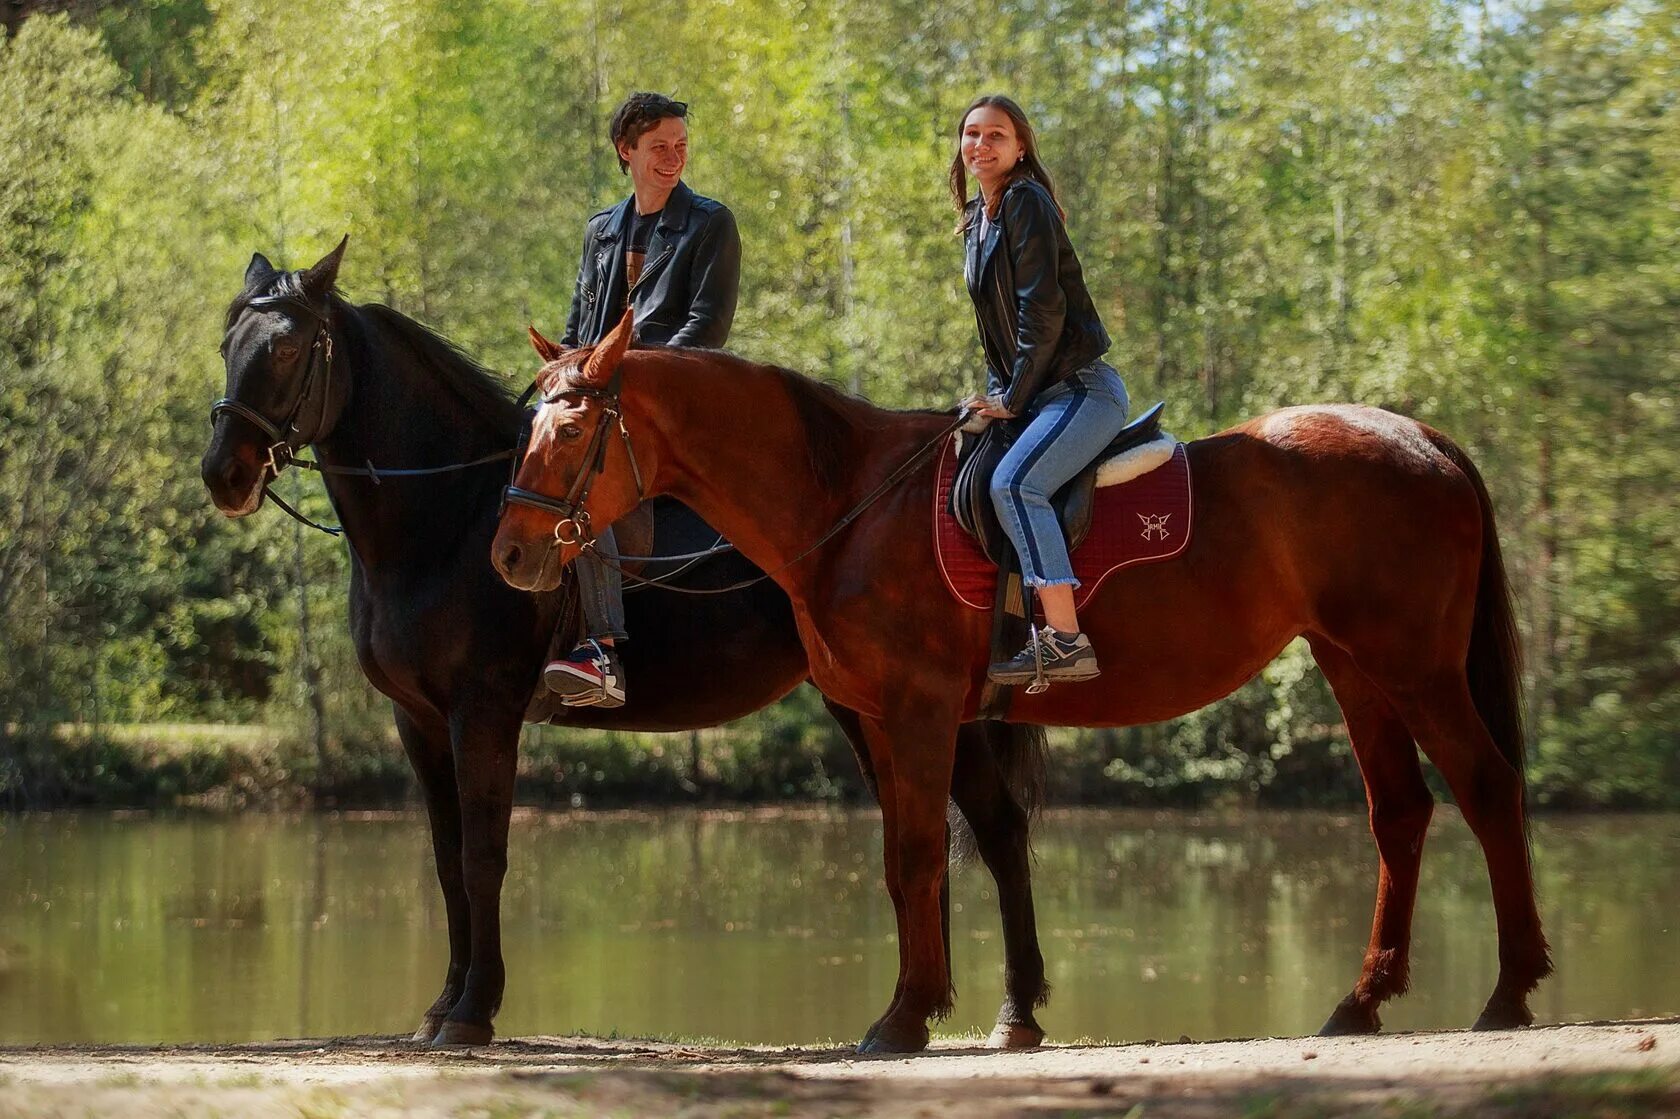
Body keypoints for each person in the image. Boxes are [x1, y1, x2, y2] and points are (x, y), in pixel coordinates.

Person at [544, 92, 742, 707]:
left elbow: (703, 334)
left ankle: (601, 648)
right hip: (600, 398)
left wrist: (620, 382)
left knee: (585, 481)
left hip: (671, 407)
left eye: (681, 146)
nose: (674, 158)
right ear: (626, 151)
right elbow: (579, 327)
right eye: (660, 147)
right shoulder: (600, 230)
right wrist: (566, 379)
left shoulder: (712, 224)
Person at [953, 94, 1130, 685]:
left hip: (1078, 388)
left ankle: (1065, 639)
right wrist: (990, 398)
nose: (982, 144)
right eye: (972, 133)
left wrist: (1011, 399)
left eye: (996, 134)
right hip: (1033, 392)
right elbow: (995, 335)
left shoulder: (1025, 201)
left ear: (1020, 147)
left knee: (1016, 484)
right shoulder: (978, 221)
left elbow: (1043, 315)